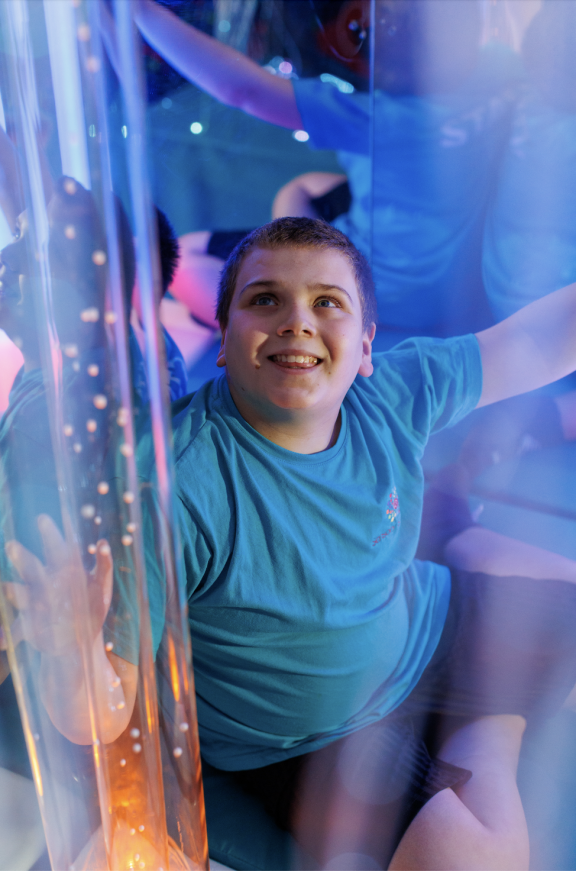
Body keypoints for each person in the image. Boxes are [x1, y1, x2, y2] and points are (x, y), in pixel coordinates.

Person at [9, 215, 576, 869]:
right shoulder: (172, 486)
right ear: (222, 339)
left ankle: (469, 574)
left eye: (326, 302)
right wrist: (74, 651)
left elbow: (532, 344)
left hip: (424, 624)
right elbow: (97, 720)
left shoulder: (388, 392)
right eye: (265, 299)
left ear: (365, 346)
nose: (297, 320)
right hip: (309, 737)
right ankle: (491, 725)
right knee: (478, 856)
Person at [133, 0, 523, 341]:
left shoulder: (385, 118)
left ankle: (283, 326)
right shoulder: (497, 67)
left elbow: (244, 91)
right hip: (450, 278)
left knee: (183, 261)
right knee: (300, 188)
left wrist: (139, 12)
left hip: (381, 294)